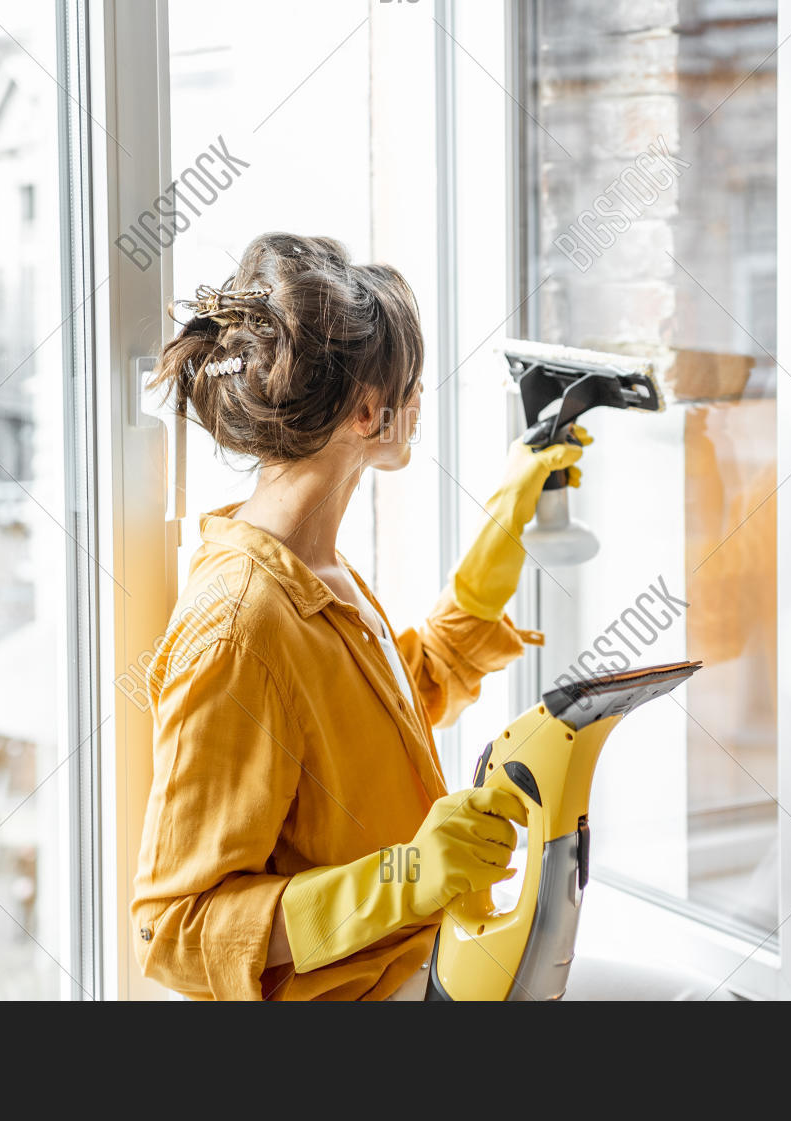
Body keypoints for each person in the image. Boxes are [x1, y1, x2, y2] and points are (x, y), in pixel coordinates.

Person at [130, 232, 587, 1000]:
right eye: (412, 386)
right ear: (369, 412)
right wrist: (405, 876)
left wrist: (505, 528)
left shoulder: (317, 572)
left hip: (428, 963)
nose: (419, 403)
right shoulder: (239, 625)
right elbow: (174, 928)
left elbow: (390, 711)